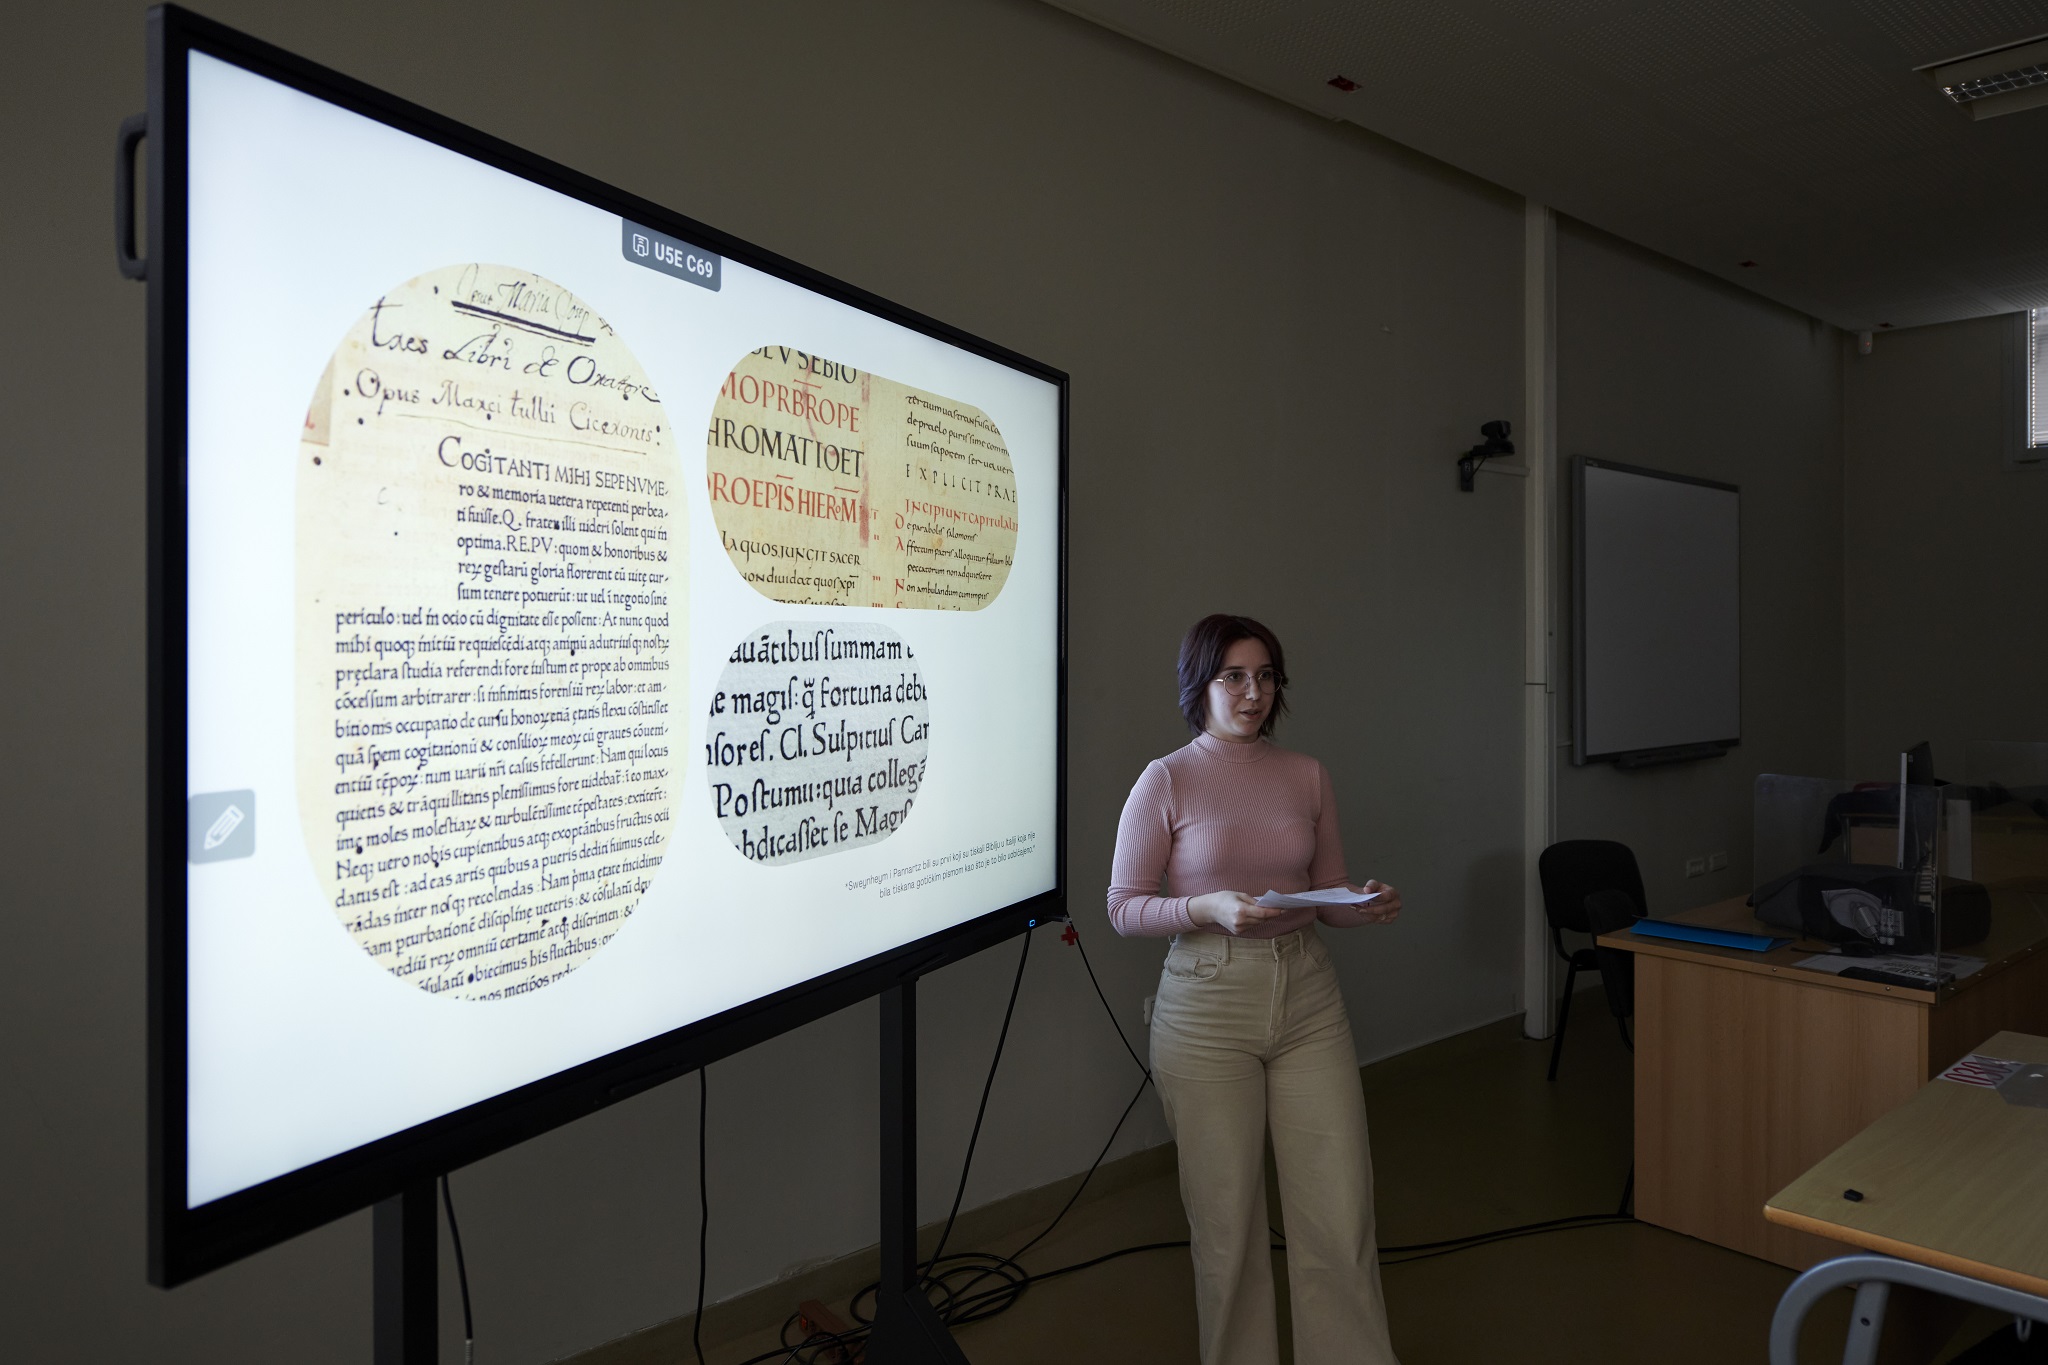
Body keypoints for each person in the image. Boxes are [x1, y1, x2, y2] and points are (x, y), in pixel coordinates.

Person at [1108, 613, 1402, 1365]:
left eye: (1266, 676)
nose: (1253, 692)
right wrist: (1205, 908)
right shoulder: (1167, 778)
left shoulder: (1306, 774)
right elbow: (1124, 906)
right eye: (1234, 676)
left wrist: (1364, 903)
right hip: (1206, 1002)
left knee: (1340, 1208)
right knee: (1227, 1224)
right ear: (1200, 685)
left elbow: (1327, 892)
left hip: (1308, 993)